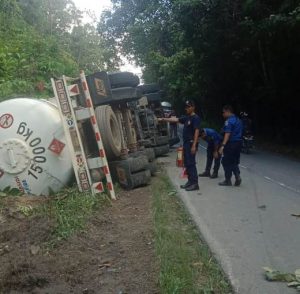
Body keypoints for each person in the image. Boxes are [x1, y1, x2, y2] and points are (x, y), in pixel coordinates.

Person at [159, 100, 201, 191]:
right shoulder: (187, 117)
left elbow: (197, 131)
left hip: (191, 143)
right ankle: (190, 181)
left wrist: (194, 145)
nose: (187, 108)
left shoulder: (195, 118)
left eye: (188, 107)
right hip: (186, 143)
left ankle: (195, 183)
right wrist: (163, 119)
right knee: (186, 163)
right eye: (186, 107)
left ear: (193, 107)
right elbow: (175, 119)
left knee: (191, 163)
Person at [219, 105, 243, 186]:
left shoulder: (229, 121)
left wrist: (223, 145)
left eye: (223, 112)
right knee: (234, 161)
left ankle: (228, 180)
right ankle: (237, 176)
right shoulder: (238, 120)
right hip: (238, 143)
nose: (222, 114)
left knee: (226, 161)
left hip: (231, 143)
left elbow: (227, 133)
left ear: (228, 111)